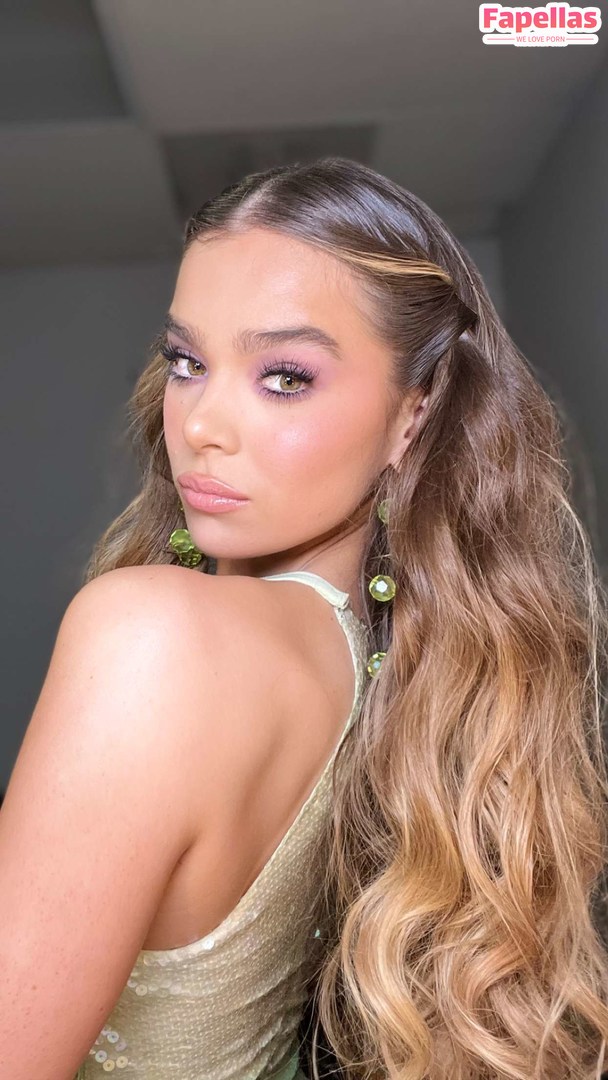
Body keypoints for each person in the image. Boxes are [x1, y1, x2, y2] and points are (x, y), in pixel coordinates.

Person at [0, 157, 607, 1080]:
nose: (200, 423)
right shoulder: (390, 676)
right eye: (187, 362)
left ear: (413, 416)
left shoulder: (153, 641)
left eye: (284, 376)